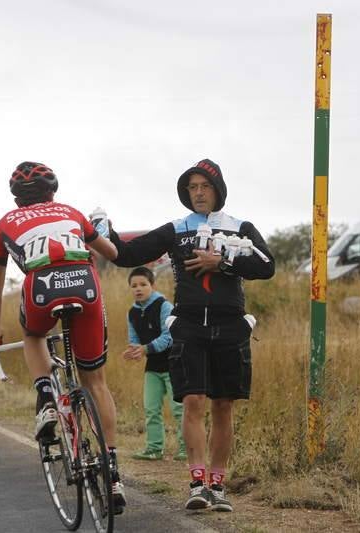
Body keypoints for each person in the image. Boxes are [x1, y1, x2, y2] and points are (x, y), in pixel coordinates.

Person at [107, 158, 275, 512]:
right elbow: (128, 254)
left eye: (205, 186)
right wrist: (99, 233)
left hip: (230, 325)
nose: (198, 193)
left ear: (218, 190)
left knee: (224, 405)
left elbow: (266, 266)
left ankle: (218, 484)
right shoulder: (176, 228)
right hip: (188, 325)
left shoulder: (241, 226)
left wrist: (224, 262)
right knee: (194, 402)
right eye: (192, 188)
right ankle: (197, 483)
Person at [0, 161, 127, 514]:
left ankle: (47, 399)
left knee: (33, 335)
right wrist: (98, 233)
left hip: (41, 286)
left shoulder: (4, 224)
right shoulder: (73, 212)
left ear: (17, 199)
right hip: (84, 281)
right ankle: (113, 473)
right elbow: (113, 254)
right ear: (53, 190)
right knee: (96, 381)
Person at [122, 267, 185, 462]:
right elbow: (134, 340)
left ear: (152, 285)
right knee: (151, 409)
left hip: (173, 363)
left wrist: (145, 349)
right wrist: (133, 352)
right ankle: (154, 449)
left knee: (178, 409)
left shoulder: (163, 305)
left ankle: (186, 448)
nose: (138, 289)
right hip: (153, 367)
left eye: (143, 284)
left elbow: (169, 337)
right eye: (134, 286)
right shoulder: (131, 313)